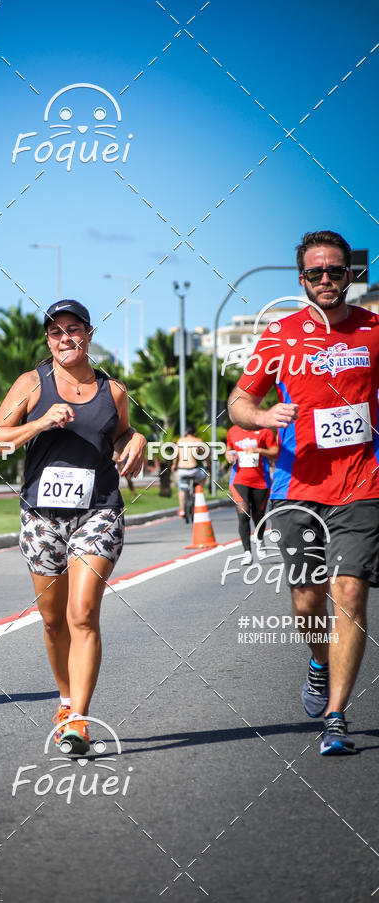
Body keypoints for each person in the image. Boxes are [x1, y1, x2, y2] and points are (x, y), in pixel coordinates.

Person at [228, 230, 379, 755]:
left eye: (335, 271)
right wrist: (263, 414)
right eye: (315, 273)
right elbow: (240, 401)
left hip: (363, 482)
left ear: (349, 275)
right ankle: (318, 660)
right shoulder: (279, 334)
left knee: (351, 590)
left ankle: (336, 715)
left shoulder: (374, 330)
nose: (326, 280)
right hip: (296, 486)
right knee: (306, 597)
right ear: (302, 280)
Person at [0, 300, 145, 754]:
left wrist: (136, 439)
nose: (65, 339)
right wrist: (38, 422)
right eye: (56, 332)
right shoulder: (31, 384)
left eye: (73, 330)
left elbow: (121, 432)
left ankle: (79, 720)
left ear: (89, 334)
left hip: (98, 511)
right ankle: (64, 698)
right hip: (41, 517)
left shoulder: (112, 389)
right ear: (48, 340)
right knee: (53, 620)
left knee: (82, 614)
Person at [225, 425, 278, 564]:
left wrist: (258, 450)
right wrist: (228, 455)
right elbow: (228, 449)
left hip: (261, 481)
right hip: (239, 480)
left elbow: (275, 451)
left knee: (258, 514)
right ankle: (247, 552)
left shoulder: (264, 431)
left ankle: (260, 539)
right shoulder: (233, 431)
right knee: (243, 514)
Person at [172, 425, 208, 516]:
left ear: (186, 433)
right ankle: (198, 489)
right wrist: (208, 464)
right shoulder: (198, 441)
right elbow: (204, 455)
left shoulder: (180, 441)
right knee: (205, 474)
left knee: (181, 489)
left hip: (182, 470)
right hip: (193, 470)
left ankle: (182, 510)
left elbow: (175, 456)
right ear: (195, 433)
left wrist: (173, 466)